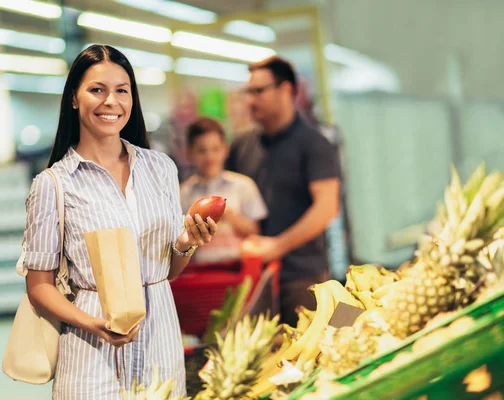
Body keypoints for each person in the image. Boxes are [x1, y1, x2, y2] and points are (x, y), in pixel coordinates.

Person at [21, 44, 217, 399]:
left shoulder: (160, 169)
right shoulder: (53, 185)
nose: (111, 101)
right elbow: (39, 287)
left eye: (121, 91)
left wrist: (187, 241)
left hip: (160, 347)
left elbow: (168, 271)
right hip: (91, 358)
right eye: (97, 90)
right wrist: (93, 323)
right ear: (74, 99)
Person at [226, 56, 341, 327]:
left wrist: (277, 246)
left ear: (287, 90)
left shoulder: (314, 145)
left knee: (309, 356)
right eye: (248, 92)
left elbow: (327, 208)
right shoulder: (242, 146)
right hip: (249, 277)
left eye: (259, 91)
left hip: (302, 279)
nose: (250, 101)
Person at [180, 117, 267, 264]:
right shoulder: (183, 192)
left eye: (215, 149)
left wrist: (229, 216)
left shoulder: (244, 185)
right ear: (189, 153)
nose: (209, 157)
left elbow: (256, 232)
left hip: (238, 267)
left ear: (225, 150)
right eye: (202, 151)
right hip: (198, 270)